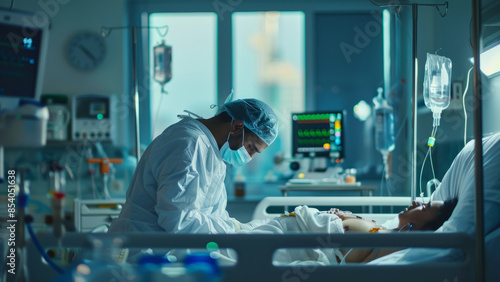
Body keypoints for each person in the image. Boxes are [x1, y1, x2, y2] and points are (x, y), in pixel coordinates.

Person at [109, 98, 279, 234]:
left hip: (164, 247)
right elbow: (179, 219)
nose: (249, 157)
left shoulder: (212, 150)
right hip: (143, 251)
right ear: (237, 126)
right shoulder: (189, 145)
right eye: (251, 148)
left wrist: (232, 226)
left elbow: (208, 214)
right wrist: (230, 230)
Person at [329, 197, 459, 263]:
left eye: (425, 207)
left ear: (425, 231)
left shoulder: (395, 249)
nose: (415, 203)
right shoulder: (386, 230)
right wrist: (342, 215)